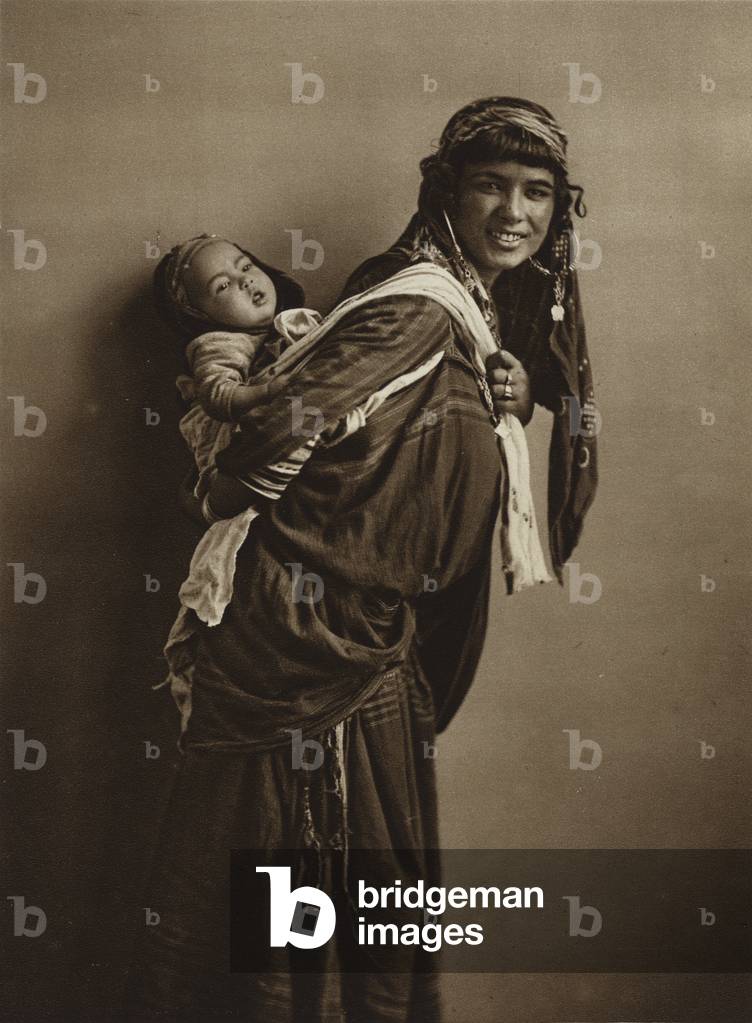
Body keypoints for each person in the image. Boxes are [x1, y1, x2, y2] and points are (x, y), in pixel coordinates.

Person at [126, 96, 598, 1022]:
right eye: (490, 185)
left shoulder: (463, 313)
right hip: (308, 630)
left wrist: (523, 387)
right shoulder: (412, 303)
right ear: (446, 193)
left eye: (537, 192)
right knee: (300, 858)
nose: (514, 212)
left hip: (374, 632)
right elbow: (274, 420)